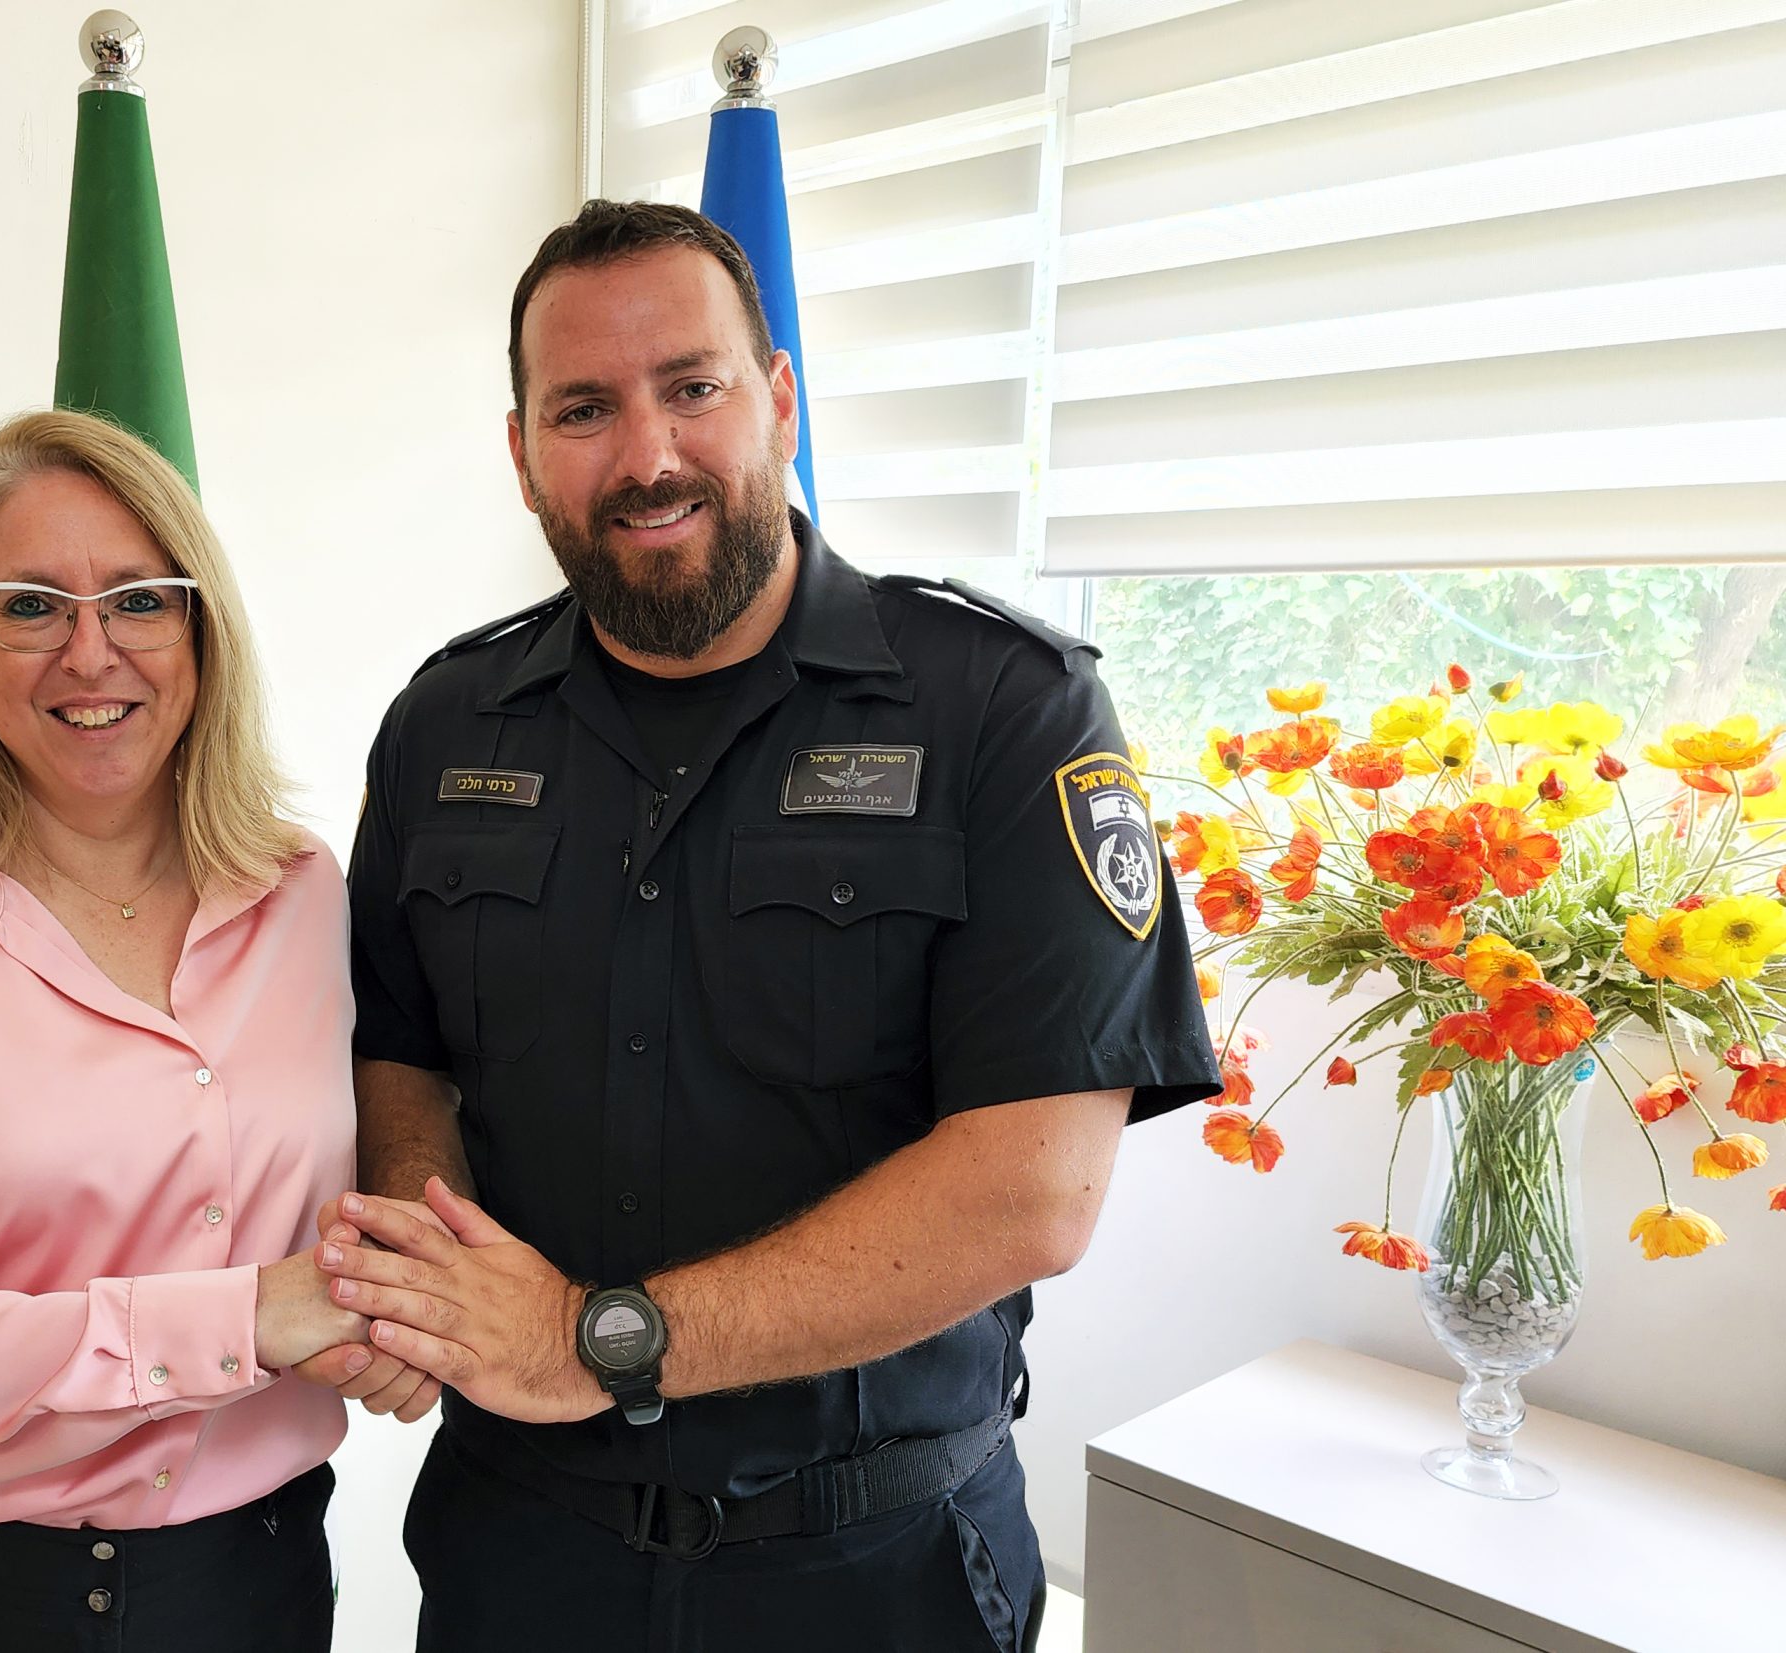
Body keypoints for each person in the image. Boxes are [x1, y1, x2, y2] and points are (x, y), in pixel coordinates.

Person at [321, 200, 1222, 1651]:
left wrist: (596, 1340)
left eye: (693, 386)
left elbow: (1032, 1191)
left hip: (872, 1568)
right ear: (523, 453)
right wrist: (433, 1279)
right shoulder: (443, 724)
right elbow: (401, 1054)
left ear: (780, 399)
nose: (648, 456)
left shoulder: (1004, 707)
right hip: (520, 1557)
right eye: (584, 410)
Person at [0, 409, 430, 1653]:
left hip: (245, 1591)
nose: (89, 653)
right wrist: (241, 1322)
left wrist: (390, 1318)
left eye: (140, 601)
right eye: (30, 607)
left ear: (201, 631)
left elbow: (347, 1190)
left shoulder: (303, 891)